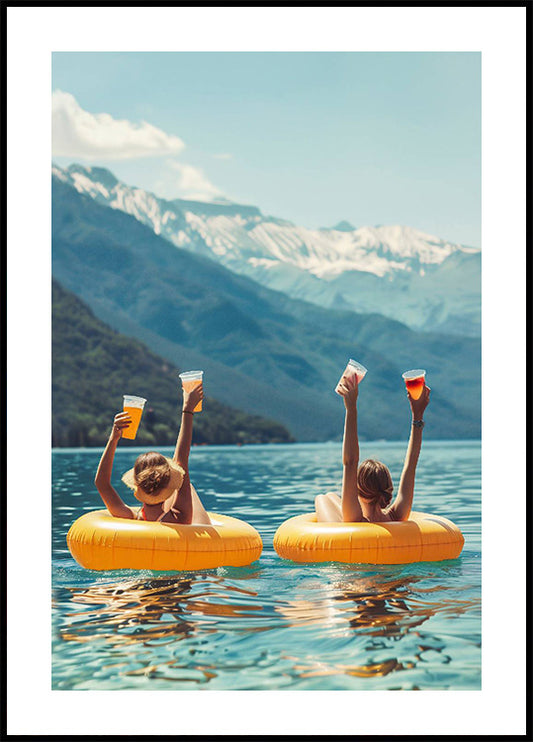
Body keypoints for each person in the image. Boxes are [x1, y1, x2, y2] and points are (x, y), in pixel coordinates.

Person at [315, 373, 430, 523]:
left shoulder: (354, 520)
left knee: (322, 498)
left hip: (352, 538)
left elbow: (350, 462)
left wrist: (351, 407)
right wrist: (418, 414)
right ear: (388, 487)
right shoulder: (397, 516)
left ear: (357, 489)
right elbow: (411, 464)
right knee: (330, 496)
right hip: (388, 525)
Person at [94, 383, 211, 525]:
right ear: (168, 482)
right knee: (188, 487)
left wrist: (113, 438)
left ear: (137, 484)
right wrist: (187, 410)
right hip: (183, 533)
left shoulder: (129, 517)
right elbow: (181, 462)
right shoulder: (179, 518)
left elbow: (101, 483)